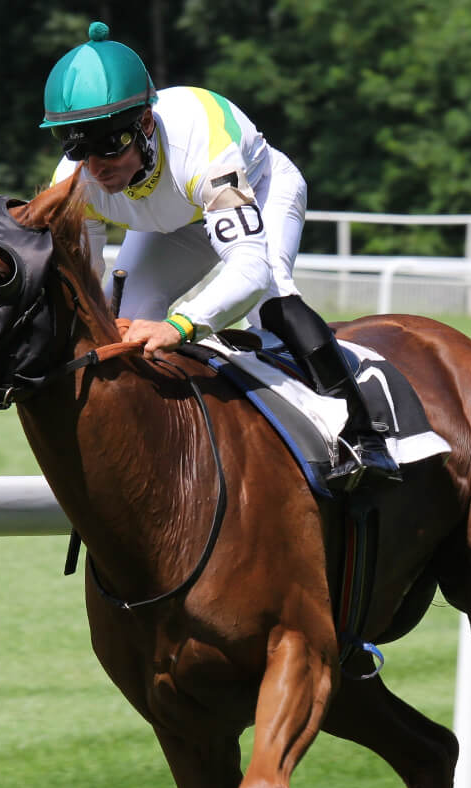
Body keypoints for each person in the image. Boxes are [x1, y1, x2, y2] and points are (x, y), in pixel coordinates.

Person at [40, 21, 398, 488]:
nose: (96, 166)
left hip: (260, 189)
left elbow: (247, 271)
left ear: (146, 124)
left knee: (270, 299)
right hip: (171, 224)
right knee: (120, 318)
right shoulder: (73, 182)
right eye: (77, 146)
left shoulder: (204, 145)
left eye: (110, 142)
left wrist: (179, 326)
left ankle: (362, 430)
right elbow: (83, 289)